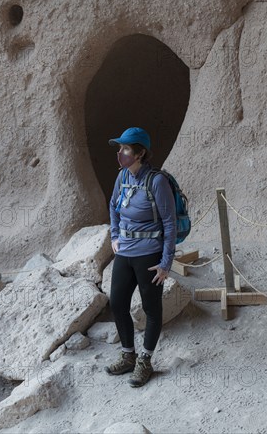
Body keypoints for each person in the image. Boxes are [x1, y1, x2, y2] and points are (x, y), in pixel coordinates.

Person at [104, 127, 177, 387]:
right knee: (117, 303)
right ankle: (128, 355)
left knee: (151, 309)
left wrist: (166, 262)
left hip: (149, 256)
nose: (120, 153)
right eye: (120, 148)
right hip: (124, 252)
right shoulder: (122, 177)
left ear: (140, 153)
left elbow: (169, 223)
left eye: (125, 148)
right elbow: (113, 206)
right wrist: (114, 235)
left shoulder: (157, 182)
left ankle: (145, 361)